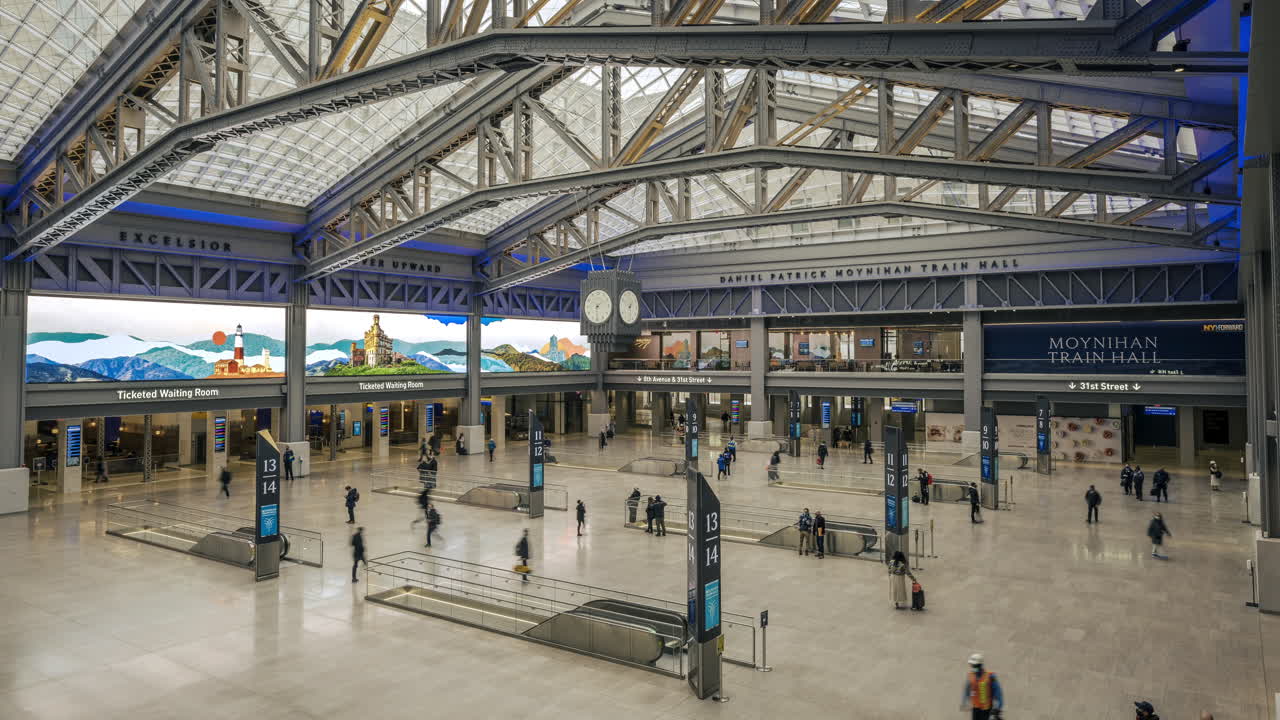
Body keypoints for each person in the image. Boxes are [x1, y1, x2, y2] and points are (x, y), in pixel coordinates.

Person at [962, 654, 1004, 720]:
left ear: (980, 665)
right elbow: (967, 689)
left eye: (975, 665)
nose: (973, 667)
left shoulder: (990, 676)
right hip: (975, 708)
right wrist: (965, 701)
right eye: (972, 665)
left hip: (986, 709)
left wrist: (998, 708)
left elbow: (998, 693)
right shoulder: (970, 676)